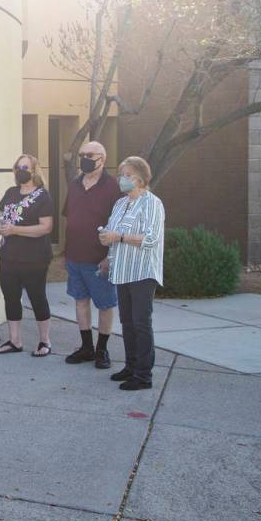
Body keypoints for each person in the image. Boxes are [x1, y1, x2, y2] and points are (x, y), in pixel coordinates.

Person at [99, 156, 165, 391]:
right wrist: (108, 254)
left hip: (142, 272)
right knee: (127, 322)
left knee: (140, 323)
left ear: (140, 177)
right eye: (121, 175)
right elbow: (114, 233)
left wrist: (120, 237)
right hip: (122, 271)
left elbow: (150, 239)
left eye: (126, 175)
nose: (121, 179)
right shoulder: (120, 204)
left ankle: (143, 375)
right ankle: (131, 367)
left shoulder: (152, 203)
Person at [62, 141, 122, 369]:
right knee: (80, 301)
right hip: (74, 255)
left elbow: (119, 225)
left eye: (90, 154)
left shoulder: (113, 187)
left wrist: (110, 256)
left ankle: (102, 349)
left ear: (102, 159)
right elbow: (71, 216)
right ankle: (86, 347)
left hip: (99, 259)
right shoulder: (75, 184)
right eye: (82, 154)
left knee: (105, 305)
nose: (85, 158)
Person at [0, 154, 55, 357]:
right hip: (9, 256)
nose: (22, 170)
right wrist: (0, 227)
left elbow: (46, 227)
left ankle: (44, 341)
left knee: (37, 298)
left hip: (35, 258)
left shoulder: (42, 196)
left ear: (34, 171)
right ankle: (15, 340)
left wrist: (15, 230)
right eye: (18, 167)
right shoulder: (11, 192)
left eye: (26, 167)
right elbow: (0, 218)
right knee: (11, 297)